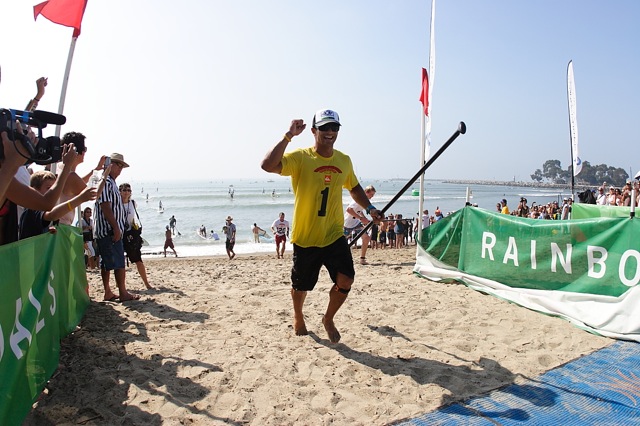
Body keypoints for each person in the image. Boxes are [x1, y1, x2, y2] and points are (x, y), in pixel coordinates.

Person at [260, 108, 382, 343]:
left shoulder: (344, 160)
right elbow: (267, 165)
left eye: (334, 127)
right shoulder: (301, 157)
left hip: (334, 233)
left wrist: (370, 208)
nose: (330, 132)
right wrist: (288, 136)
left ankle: (328, 318)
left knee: (346, 279)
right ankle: (298, 315)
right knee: (301, 286)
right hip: (306, 237)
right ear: (314, 130)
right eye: (324, 127)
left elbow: (354, 187)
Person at [94, 153, 140, 302]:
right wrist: (115, 227)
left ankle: (108, 291)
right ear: (110, 164)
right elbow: (105, 205)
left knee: (106, 262)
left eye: (121, 166)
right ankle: (122, 292)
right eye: (118, 165)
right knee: (118, 261)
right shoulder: (106, 182)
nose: (120, 169)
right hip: (109, 229)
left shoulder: (110, 182)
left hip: (108, 228)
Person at [19, 171, 96, 239]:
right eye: (49, 188)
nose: (53, 193)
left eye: (54, 189)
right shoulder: (32, 209)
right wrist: (79, 199)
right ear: (34, 190)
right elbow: (52, 215)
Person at [119, 183, 152, 289]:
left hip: (131, 235)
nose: (126, 192)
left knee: (138, 259)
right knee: (120, 262)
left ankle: (146, 283)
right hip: (119, 234)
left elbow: (133, 218)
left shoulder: (133, 203)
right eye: (124, 190)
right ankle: (121, 286)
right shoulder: (116, 204)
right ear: (120, 191)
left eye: (128, 190)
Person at [343, 185, 376, 264]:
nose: (372, 197)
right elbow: (349, 210)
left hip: (356, 223)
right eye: (371, 195)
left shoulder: (364, 202)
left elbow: (359, 211)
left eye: (373, 195)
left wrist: (365, 219)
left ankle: (362, 258)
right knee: (341, 242)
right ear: (366, 193)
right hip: (347, 223)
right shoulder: (357, 200)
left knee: (366, 238)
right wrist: (361, 218)